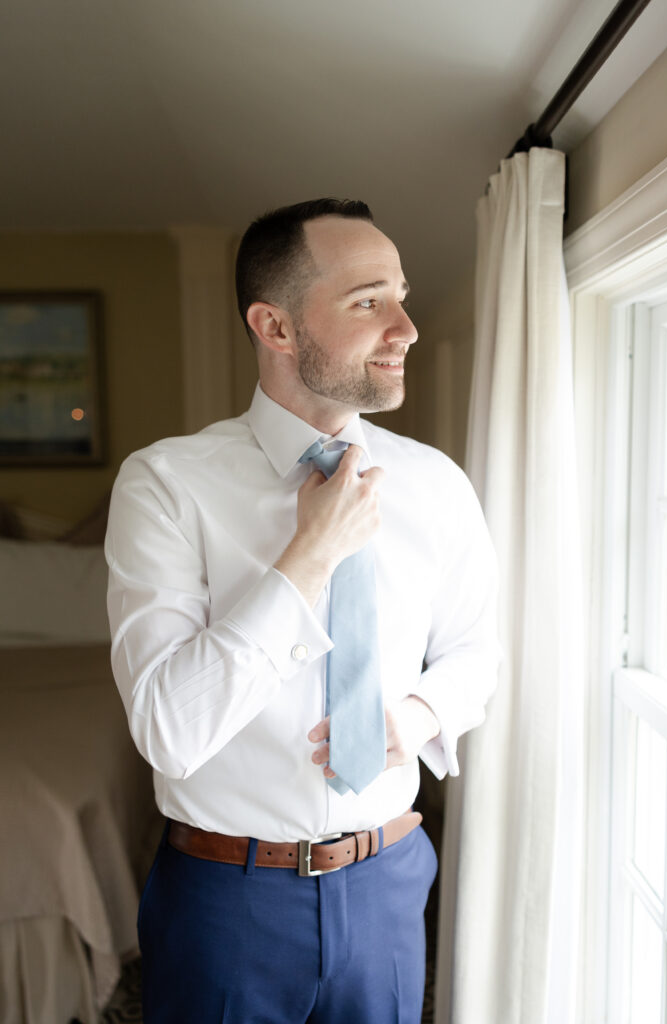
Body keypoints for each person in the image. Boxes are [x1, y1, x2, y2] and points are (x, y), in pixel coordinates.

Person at [105, 197, 499, 1024]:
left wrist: (419, 712)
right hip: (225, 900)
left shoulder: (436, 482)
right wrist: (308, 556)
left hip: (389, 882)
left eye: (400, 294)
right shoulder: (166, 484)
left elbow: (477, 652)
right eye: (368, 302)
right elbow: (168, 732)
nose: (406, 328)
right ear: (275, 328)